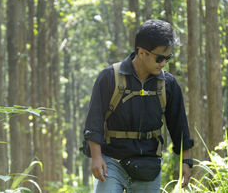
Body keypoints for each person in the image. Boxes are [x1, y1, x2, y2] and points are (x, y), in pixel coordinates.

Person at [83, 19, 194, 192]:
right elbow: (94, 121)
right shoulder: (109, 77)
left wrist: (186, 161)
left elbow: (179, 125)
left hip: (148, 166)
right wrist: (96, 157)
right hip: (112, 162)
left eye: (167, 58)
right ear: (142, 52)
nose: (163, 63)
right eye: (159, 58)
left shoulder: (169, 84)